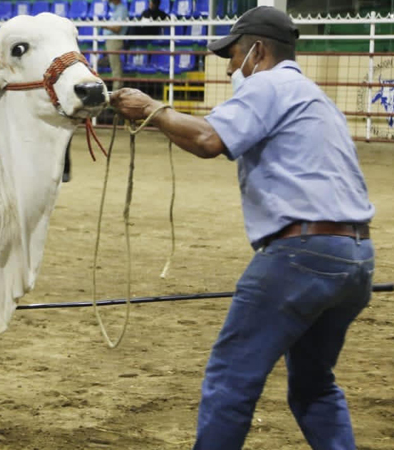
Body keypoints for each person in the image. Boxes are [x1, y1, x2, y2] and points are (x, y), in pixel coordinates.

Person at [110, 6, 375, 449]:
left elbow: (209, 140)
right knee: (314, 383)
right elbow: (205, 139)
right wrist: (156, 118)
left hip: (300, 254)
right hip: (355, 256)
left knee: (230, 378)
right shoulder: (313, 95)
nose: (231, 66)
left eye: (233, 55)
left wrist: (153, 109)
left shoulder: (269, 84)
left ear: (257, 51)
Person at [101, 0, 130, 90]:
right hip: (111, 40)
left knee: (115, 67)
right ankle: (116, 89)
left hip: (115, 40)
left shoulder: (122, 10)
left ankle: (116, 90)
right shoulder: (117, 10)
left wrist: (104, 26)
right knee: (114, 66)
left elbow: (118, 28)